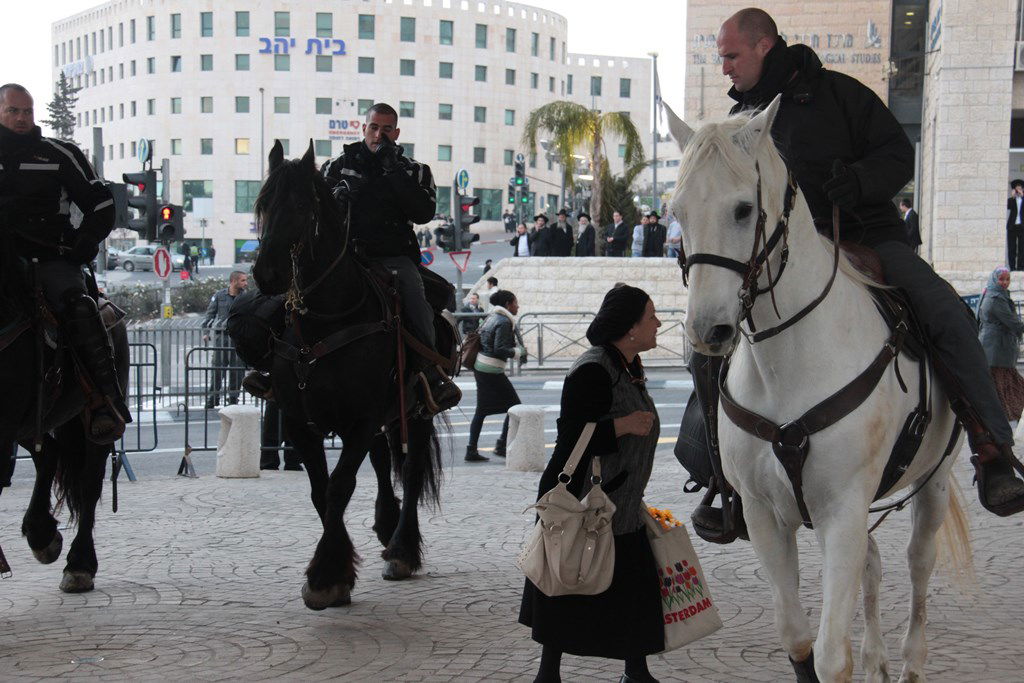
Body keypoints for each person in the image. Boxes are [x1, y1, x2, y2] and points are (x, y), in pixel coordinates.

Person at [690, 8, 1024, 540]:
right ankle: (725, 478)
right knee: (705, 344)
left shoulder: (841, 95)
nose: (724, 66)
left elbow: (898, 153)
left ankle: (991, 447)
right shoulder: (741, 120)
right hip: (782, 261)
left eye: (731, 55)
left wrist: (861, 181)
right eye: (722, 57)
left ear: (764, 46)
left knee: (942, 309)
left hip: (868, 237)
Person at [519, 283, 663, 683]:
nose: (659, 324)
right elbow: (570, 439)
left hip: (621, 500)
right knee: (568, 580)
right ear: (630, 327)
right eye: (651, 316)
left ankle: (637, 670)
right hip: (582, 500)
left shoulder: (628, 367)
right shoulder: (594, 368)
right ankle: (548, 674)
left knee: (633, 586)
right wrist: (622, 426)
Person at [0, 83, 129, 443]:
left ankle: (104, 399)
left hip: (50, 259)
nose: (22, 118)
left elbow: (101, 203)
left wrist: (85, 242)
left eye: (27, 111)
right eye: (14, 111)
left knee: (80, 308)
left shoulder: (58, 153)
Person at [322, 102, 460, 413]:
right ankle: (279, 366)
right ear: (363, 128)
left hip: (392, 256)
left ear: (396, 133)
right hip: (344, 256)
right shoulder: (335, 166)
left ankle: (431, 371)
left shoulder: (414, 170)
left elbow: (423, 212)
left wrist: (393, 172)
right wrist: (339, 196)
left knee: (414, 295)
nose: (379, 134)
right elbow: (318, 211)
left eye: (386, 129)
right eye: (374, 127)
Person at [466, 290, 525, 463]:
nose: (518, 306)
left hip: (482, 368)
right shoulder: (504, 321)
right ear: (508, 304)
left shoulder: (492, 316)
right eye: (515, 302)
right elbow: (499, 348)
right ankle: (500, 446)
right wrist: (517, 352)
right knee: (515, 407)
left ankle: (471, 449)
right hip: (491, 369)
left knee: (482, 410)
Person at [979, 267, 1024, 421]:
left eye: (1007, 279)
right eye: (1001, 279)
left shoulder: (992, 294)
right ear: (995, 279)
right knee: (1000, 383)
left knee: (1004, 382)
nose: (1005, 283)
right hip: (996, 347)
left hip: (997, 346)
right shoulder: (996, 299)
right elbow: (1012, 322)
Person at [202, 271, 249, 409]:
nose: (246, 283)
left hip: (238, 339)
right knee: (217, 369)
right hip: (221, 338)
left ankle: (233, 398)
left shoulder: (246, 297)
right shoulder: (219, 295)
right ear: (233, 281)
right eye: (243, 280)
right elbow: (210, 315)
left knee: (237, 370)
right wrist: (206, 332)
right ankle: (213, 397)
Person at [260, 399, 302, 471]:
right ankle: (270, 462)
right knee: (272, 431)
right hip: (276, 397)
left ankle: (292, 462)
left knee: (293, 431)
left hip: (287, 397)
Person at [1007, 180, 1024, 271]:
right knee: (1012, 248)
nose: (1018, 190)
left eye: (1020, 188)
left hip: (1022, 227)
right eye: (1016, 188)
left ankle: (1021, 267)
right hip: (1012, 227)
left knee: (1022, 248)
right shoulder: (1012, 200)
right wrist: (1012, 197)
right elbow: (1007, 206)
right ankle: (1012, 267)